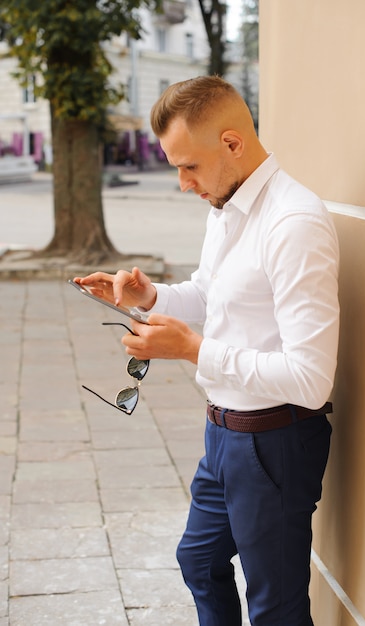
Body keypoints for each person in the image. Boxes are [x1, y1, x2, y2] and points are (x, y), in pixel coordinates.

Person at [74, 75, 339, 626]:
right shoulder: (229, 204)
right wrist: (149, 296)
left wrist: (194, 349)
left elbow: (312, 377)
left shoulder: (293, 223)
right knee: (197, 559)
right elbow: (210, 290)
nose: (182, 184)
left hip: (275, 442)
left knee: (275, 607)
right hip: (224, 435)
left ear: (232, 143)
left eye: (188, 166)